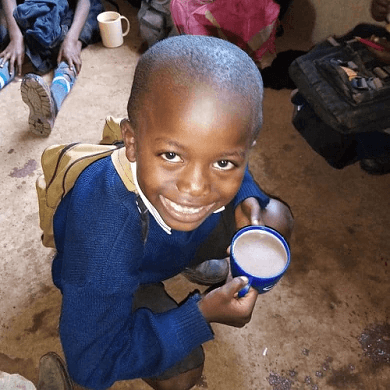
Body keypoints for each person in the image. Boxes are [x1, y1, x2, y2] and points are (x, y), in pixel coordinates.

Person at [49, 35, 294, 390]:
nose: (196, 185)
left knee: (275, 219)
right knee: (183, 375)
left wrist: (248, 198)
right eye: (172, 155)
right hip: (128, 271)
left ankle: (186, 253)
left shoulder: (191, 180)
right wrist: (202, 314)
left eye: (223, 162)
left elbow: (221, 157)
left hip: (165, 239)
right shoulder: (104, 238)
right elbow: (90, 366)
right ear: (131, 142)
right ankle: (181, 268)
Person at [0, 0, 104, 136]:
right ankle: (12, 58)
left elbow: (84, 2)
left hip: (64, 16)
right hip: (23, 13)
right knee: (9, 29)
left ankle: (53, 102)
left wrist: (71, 40)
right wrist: (16, 37)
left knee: (93, 15)